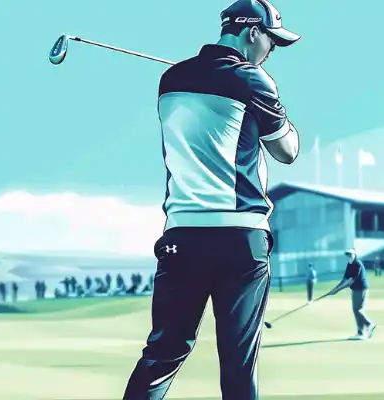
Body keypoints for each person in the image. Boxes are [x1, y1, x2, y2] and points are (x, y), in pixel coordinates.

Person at [123, 1, 301, 399]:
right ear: (252, 32)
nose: (271, 50)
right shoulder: (255, 80)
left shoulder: (170, 79)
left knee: (163, 354)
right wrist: (278, 113)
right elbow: (287, 150)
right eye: (271, 40)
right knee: (238, 362)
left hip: (181, 236)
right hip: (240, 236)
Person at [328, 249, 376, 340]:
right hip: (355, 289)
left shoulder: (358, 264)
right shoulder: (349, 265)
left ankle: (369, 324)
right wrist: (334, 289)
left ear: (354, 255)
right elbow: (344, 279)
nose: (348, 256)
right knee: (355, 310)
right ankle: (360, 332)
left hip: (362, 289)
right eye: (347, 255)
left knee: (358, 310)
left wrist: (337, 290)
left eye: (350, 254)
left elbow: (350, 281)